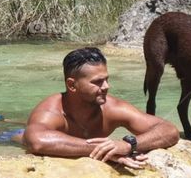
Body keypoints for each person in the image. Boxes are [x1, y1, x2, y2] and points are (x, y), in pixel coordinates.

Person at [24, 47, 179, 168]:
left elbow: (169, 131)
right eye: (97, 82)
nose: (106, 86)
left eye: (106, 79)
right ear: (72, 85)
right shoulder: (51, 111)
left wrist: (126, 145)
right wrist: (104, 149)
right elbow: (36, 141)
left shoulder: (112, 108)